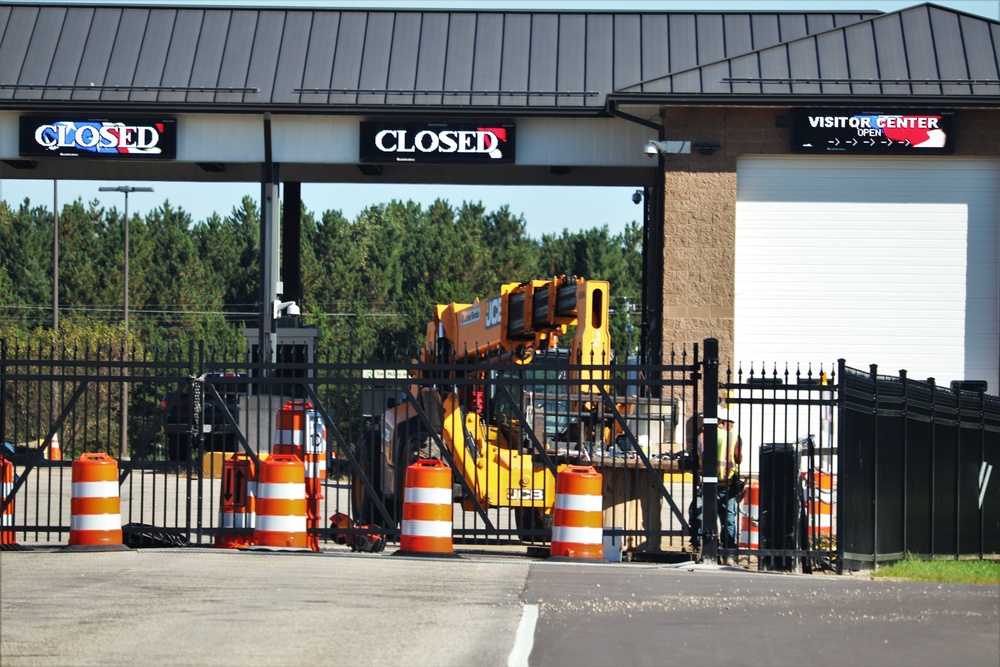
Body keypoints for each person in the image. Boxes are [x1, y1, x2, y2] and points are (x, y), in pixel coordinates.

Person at [697, 406, 743, 564]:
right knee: (728, 520)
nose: (732, 427)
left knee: (708, 520)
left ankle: (711, 552)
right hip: (728, 484)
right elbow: (738, 459)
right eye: (730, 424)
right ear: (723, 422)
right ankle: (729, 555)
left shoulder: (702, 437)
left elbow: (697, 459)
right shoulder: (733, 438)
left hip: (709, 485)